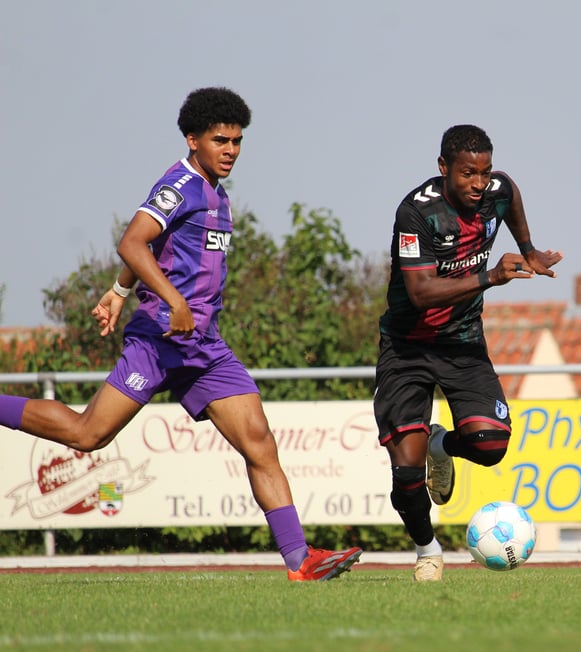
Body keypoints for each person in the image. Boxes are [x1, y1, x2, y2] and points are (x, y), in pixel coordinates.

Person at [0, 87, 362, 581]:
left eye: (237, 141)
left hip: (204, 345)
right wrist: (172, 301)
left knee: (259, 441)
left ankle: (300, 561)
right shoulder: (180, 185)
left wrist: (118, 290)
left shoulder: (218, 193)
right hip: (158, 340)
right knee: (88, 435)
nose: (231, 150)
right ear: (193, 140)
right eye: (220, 140)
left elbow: (155, 249)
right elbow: (133, 241)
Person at [373, 124, 562, 582]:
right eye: (467, 173)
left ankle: (440, 444)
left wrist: (529, 248)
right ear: (444, 168)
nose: (479, 183)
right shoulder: (416, 213)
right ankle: (428, 551)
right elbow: (420, 293)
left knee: (490, 444)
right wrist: (490, 277)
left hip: (461, 341)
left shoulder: (497, 190)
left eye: (484, 171)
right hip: (408, 346)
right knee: (406, 473)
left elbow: (510, 192)